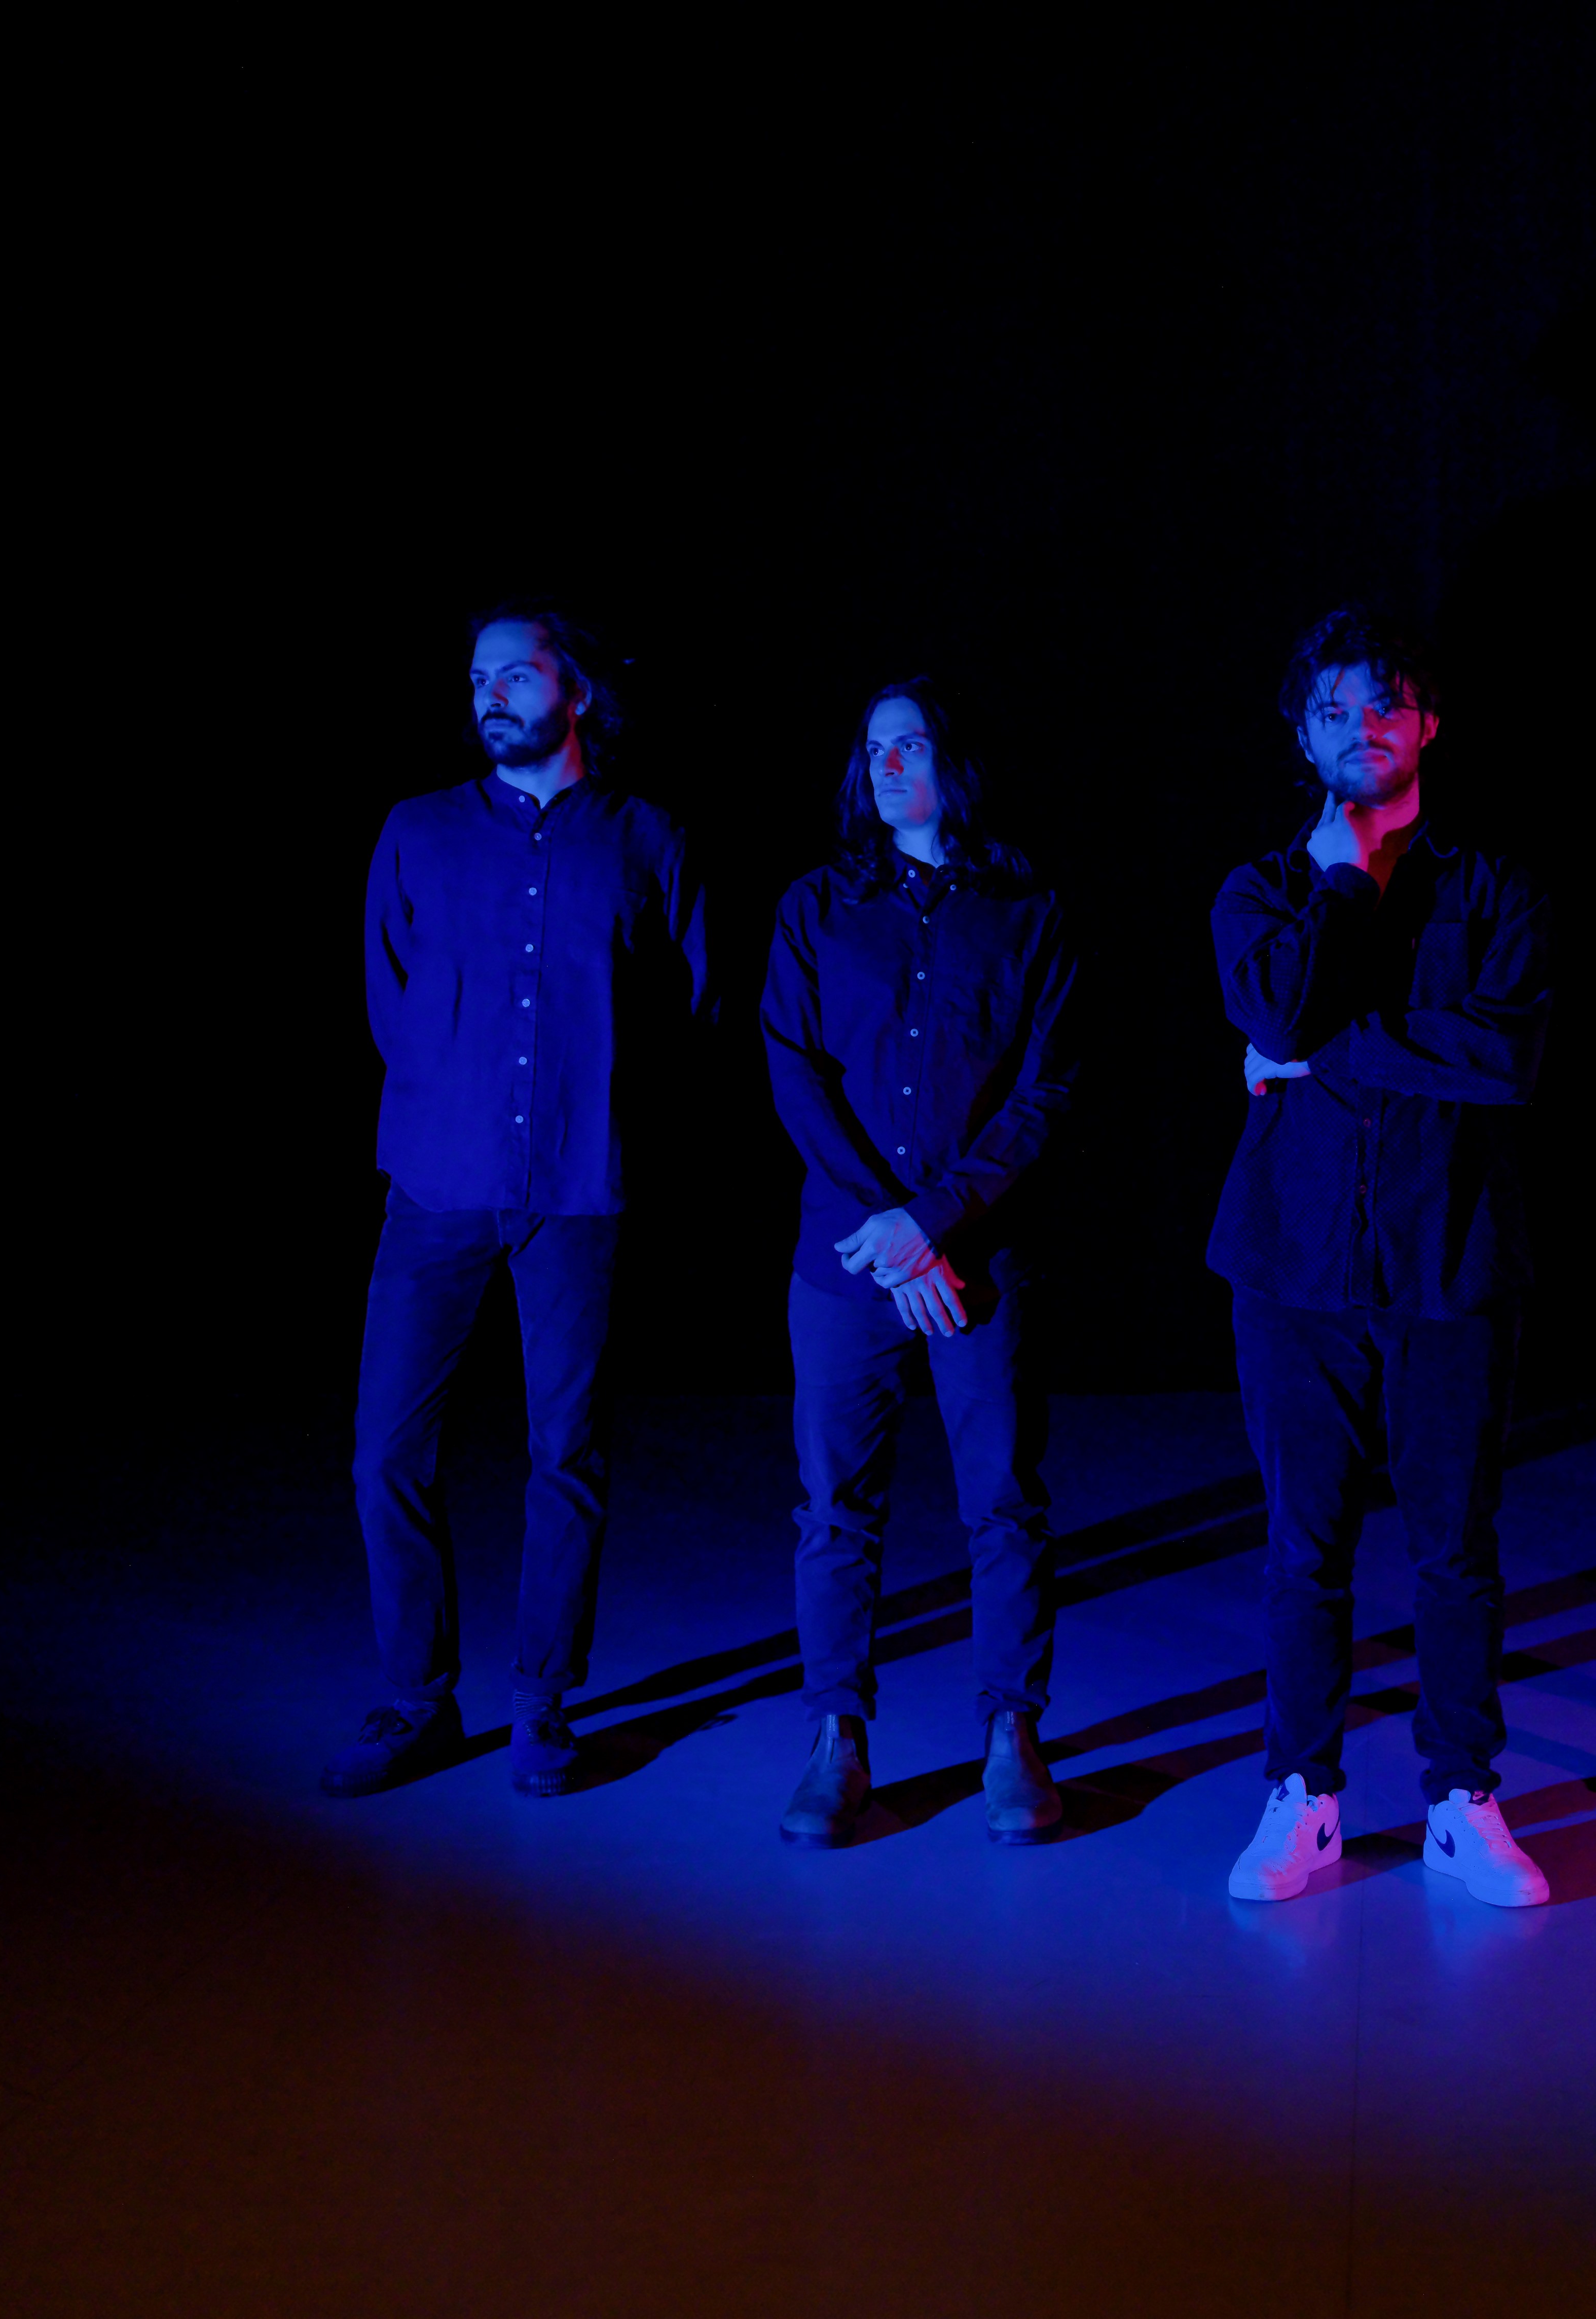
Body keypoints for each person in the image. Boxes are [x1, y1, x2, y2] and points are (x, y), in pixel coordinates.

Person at [323, 604, 709, 1800]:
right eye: (476, 676)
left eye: (515, 673)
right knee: (387, 1450)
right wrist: (450, 1096)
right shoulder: (418, 830)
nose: (488, 692)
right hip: (436, 1183)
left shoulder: (648, 837)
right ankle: (416, 1699)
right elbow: (388, 995)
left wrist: (601, 1107)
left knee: (567, 1452)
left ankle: (544, 1701)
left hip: (578, 1189)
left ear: (576, 691)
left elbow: (690, 1005)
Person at [1209, 608, 1556, 1907]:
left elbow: (1503, 1060)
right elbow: (1276, 1005)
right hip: (1290, 1267)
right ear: (1302, 736)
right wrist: (1343, 887)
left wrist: (1319, 1053)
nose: (1363, 728)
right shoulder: (1260, 891)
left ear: (1428, 725)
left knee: (1454, 1545)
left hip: (1450, 1263)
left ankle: (1462, 1798)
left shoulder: (1494, 888)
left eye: (1387, 705)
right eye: (1335, 709)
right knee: (1303, 1547)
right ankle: (1302, 1798)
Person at [762, 680, 1080, 1847]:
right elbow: (795, 1073)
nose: (888, 764)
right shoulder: (817, 906)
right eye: (873, 748)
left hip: (977, 1259)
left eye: (911, 744)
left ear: (957, 759)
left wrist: (935, 1222)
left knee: (1002, 1501)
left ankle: (1012, 1734)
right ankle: (836, 1740)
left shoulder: (1027, 911)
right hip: (847, 1260)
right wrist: (891, 1235)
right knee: (835, 1508)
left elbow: (1046, 1092)